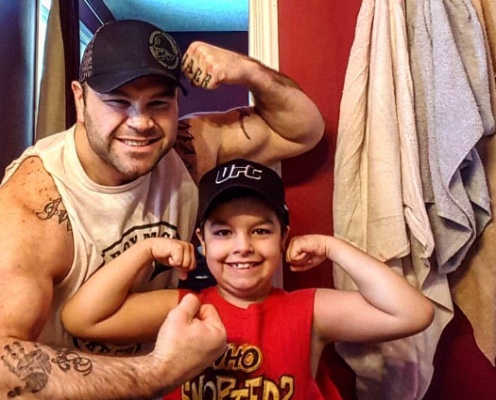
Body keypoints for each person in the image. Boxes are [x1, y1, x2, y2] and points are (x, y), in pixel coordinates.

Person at [0, 18, 325, 400]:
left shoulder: (187, 151)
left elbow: (302, 130)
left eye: (158, 103)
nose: (141, 122)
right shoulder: (35, 205)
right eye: (118, 101)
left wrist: (248, 71)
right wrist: (160, 370)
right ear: (79, 99)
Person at [61, 158, 436, 400]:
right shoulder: (184, 309)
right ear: (202, 242)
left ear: (283, 238)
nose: (243, 247)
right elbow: (81, 318)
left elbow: (412, 313)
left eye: (260, 231)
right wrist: (143, 251)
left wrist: (333, 247)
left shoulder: (308, 310)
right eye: (224, 232)